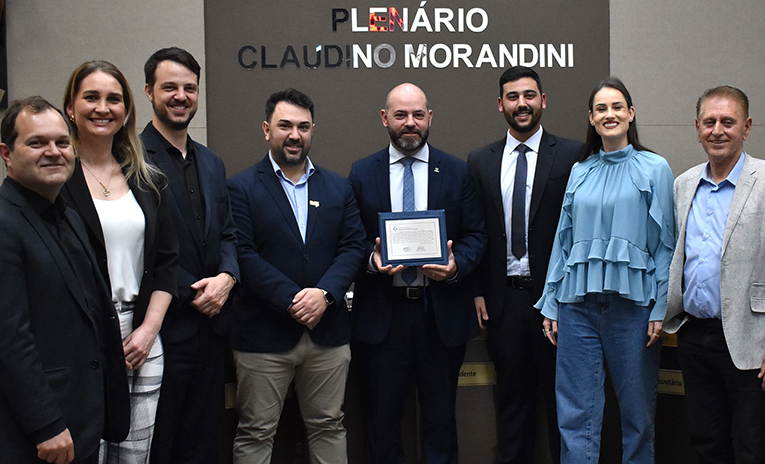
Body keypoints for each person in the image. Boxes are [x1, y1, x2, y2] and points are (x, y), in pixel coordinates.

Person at [0, 96, 129, 464]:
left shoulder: (68, 216)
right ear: (7, 154)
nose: (54, 152)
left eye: (62, 142)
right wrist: (46, 424)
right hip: (39, 434)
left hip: (83, 419)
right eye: (37, 143)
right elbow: (6, 341)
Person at [662, 86, 765, 464]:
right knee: (706, 444)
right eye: (709, 122)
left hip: (754, 343)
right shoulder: (683, 185)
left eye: (728, 122)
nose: (717, 130)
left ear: (747, 127)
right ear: (697, 128)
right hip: (695, 337)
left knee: (755, 449)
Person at [537, 76, 675, 463]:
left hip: (633, 308)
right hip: (576, 307)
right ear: (591, 118)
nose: (609, 114)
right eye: (601, 108)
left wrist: (661, 306)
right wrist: (551, 302)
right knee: (574, 416)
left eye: (617, 107)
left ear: (631, 114)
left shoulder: (655, 168)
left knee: (637, 415)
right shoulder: (580, 170)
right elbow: (563, 241)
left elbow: (666, 244)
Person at [348, 83, 487, 464]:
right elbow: (350, 238)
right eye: (401, 115)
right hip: (383, 316)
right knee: (382, 425)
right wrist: (371, 260)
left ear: (430, 118)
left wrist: (456, 267)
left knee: (440, 424)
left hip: (439, 316)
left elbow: (476, 235)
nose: (410, 123)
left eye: (418, 115)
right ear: (384, 119)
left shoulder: (457, 171)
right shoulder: (362, 173)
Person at [228, 88, 365, 464]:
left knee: (329, 426)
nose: (295, 135)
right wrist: (292, 299)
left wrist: (325, 293)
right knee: (256, 432)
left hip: (327, 333)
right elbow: (243, 253)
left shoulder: (338, 187)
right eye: (285, 125)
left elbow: (353, 246)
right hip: (262, 334)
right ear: (266, 129)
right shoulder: (241, 187)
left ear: (312, 130)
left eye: (303, 127)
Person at [59, 60, 178, 463]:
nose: (102, 108)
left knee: (134, 458)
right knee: (86, 454)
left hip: (141, 338)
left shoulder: (147, 179)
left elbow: (166, 263)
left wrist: (148, 330)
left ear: (126, 110)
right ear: (70, 107)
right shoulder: (56, 180)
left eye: (114, 99)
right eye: (91, 97)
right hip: (81, 340)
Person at [467, 66, 582, 464]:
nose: (522, 104)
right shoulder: (480, 160)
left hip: (558, 303)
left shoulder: (571, 155)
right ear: (500, 104)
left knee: (564, 407)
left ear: (543, 101)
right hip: (504, 302)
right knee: (512, 406)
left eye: (529, 95)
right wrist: (477, 290)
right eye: (513, 97)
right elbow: (476, 230)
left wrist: (566, 297)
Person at [138, 46, 239, 464]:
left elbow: (229, 233)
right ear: (149, 92)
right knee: (160, 445)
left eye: (190, 88)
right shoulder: (131, 159)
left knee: (203, 444)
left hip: (212, 332)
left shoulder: (212, 163)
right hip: (161, 329)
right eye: (170, 88)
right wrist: (194, 290)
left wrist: (228, 277)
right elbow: (140, 245)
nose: (181, 96)